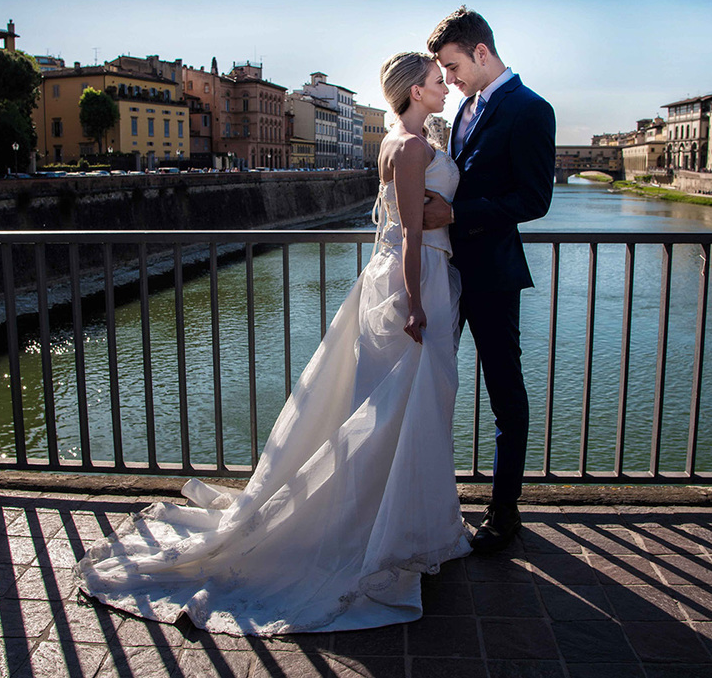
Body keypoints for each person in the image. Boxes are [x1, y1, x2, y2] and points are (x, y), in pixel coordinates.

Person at [74, 52, 470, 636]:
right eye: (437, 82)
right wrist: (415, 304)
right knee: (400, 409)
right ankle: (381, 531)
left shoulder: (396, 141)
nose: (445, 89)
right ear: (414, 91)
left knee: (389, 409)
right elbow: (411, 232)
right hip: (416, 283)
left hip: (397, 278)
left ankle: (392, 523)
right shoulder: (411, 147)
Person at [423, 7, 556, 553]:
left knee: (505, 394)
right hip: (446, 271)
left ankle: (505, 510)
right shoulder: (465, 109)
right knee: (429, 386)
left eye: (452, 68)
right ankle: (427, 502)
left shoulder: (530, 109)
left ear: (481, 52)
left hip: (493, 275)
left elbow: (535, 200)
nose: (448, 81)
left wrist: (457, 215)